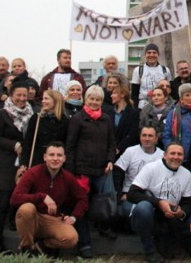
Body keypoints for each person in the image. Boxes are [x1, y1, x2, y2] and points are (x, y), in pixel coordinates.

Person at [10, 141, 88, 257]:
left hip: (53, 219)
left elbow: (83, 199)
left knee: (71, 238)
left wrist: (74, 216)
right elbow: (15, 199)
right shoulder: (33, 173)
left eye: (59, 155)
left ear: (64, 158)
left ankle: (40, 246)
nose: (55, 158)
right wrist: (41, 197)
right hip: (33, 218)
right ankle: (26, 249)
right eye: (51, 155)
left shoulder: (68, 177)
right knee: (26, 208)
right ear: (45, 157)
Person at [65, 85, 116, 258]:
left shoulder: (107, 119)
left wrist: (110, 160)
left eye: (98, 99)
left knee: (103, 203)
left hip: (101, 169)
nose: (94, 102)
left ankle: (104, 229)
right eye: (91, 99)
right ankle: (84, 244)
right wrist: (71, 171)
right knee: (81, 207)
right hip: (81, 170)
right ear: (85, 100)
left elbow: (111, 143)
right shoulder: (78, 119)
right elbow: (70, 146)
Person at [0, 78, 34, 253]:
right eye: (18, 95)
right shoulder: (2, 114)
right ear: (11, 95)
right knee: (2, 203)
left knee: (20, 200)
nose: (22, 98)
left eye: (25, 95)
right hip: (5, 162)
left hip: (23, 163)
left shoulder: (32, 114)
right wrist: (14, 145)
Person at [127, 143, 191, 263]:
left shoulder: (187, 174)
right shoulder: (151, 168)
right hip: (147, 216)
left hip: (170, 218)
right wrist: (159, 203)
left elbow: (188, 203)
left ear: (184, 157)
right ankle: (149, 251)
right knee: (143, 207)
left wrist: (181, 212)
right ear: (164, 155)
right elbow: (132, 194)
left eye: (180, 154)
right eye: (172, 153)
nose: (176, 157)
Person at [114, 126, 164, 218]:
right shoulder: (130, 151)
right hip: (130, 195)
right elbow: (117, 172)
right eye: (144, 135)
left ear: (156, 138)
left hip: (152, 196)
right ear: (140, 137)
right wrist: (120, 194)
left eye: (150, 136)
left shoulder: (162, 156)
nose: (147, 139)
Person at [19, 89, 69, 169]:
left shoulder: (65, 121)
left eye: (46, 98)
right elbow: (28, 142)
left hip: (57, 163)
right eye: (43, 99)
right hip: (38, 161)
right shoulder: (36, 118)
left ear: (55, 100)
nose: (43, 101)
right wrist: (23, 163)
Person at [163, 84, 191, 158]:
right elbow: (167, 135)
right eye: (187, 95)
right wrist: (171, 150)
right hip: (178, 155)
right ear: (181, 98)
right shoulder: (173, 113)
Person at [131, 44, 172, 109]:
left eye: (154, 53)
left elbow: (169, 91)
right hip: (142, 106)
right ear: (145, 55)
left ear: (158, 55)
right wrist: (135, 109)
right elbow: (134, 93)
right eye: (149, 53)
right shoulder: (138, 70)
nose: (151, 55)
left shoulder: (165, 70)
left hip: (161, 106)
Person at [106, 84, 140, 156]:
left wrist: (119, 148)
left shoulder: (134, 113)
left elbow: (132, 134)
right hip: (110, 152)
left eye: (114, 93)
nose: (111, 96)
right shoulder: (109, 112)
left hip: (126, 152)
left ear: (122, 95)